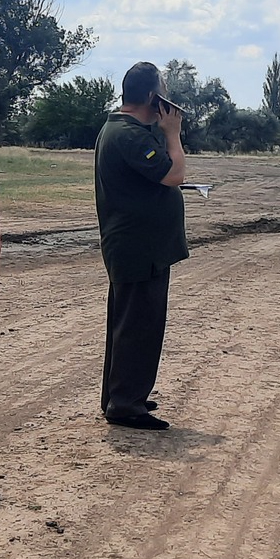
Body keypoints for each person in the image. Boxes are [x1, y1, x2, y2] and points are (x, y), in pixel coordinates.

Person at [93, 61, 188, 431]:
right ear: (152, 96)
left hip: (137, 245)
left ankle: (121, 394)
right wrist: (173, 133)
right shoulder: (128, 134)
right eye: (162, 91)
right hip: (138, 246)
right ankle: (125, 403)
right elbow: (173, 175)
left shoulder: (123, 128)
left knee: (128, 323)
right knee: (139, 325)